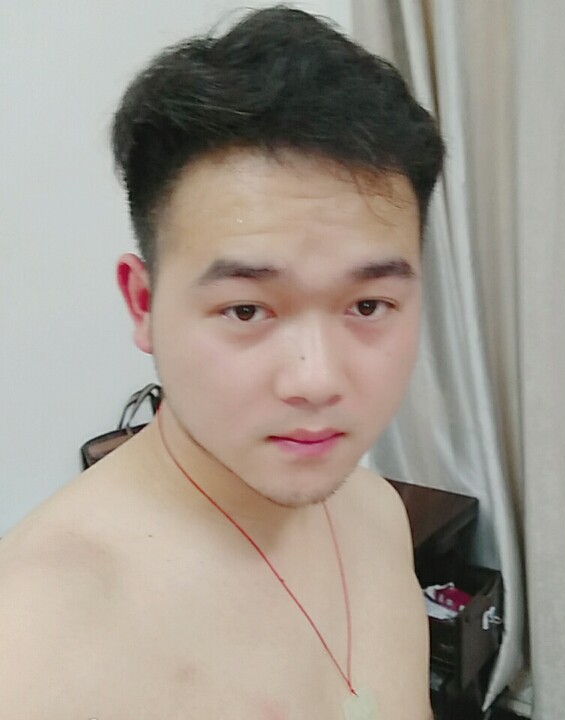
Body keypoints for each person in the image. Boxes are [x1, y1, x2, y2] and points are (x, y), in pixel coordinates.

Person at [0, 6, 444, 718]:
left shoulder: (377, 513)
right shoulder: (33, 642)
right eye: (246, 310)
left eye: (367, 305)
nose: (316, 380)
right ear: (143, 303)